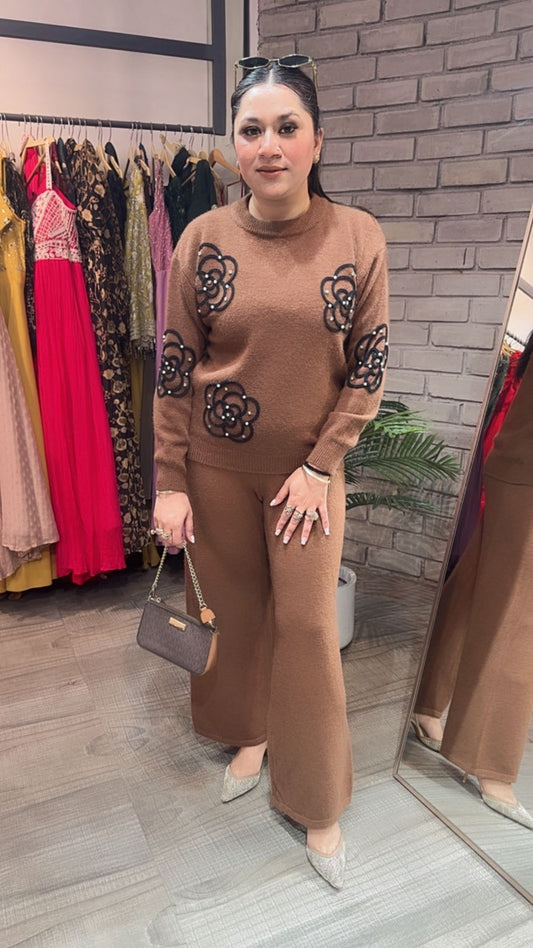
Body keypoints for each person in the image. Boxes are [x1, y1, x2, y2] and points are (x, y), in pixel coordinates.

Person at [152, 57, 389, 888]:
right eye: (251, 130)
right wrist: (170, 482)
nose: (269, 145)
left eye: (287, 127)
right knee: (231, 616)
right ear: (233, 144)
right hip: (215, 469)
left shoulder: (356, 236)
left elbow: (368, 367)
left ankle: (316, 798)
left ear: (316, 140)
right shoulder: (202, 239)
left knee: (310, 631)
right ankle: (247, 735)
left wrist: (322, 466)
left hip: (306, 484)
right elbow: (176, 366)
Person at [412, 332, 533, 830]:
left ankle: (426, 702)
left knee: (476, 586)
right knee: (518, 612)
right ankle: (487, 758)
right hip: (525, 468)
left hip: (517, 461)